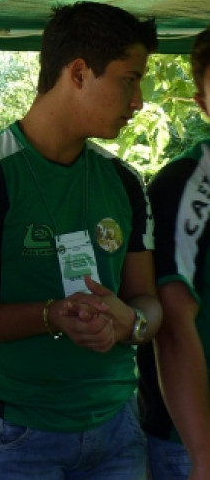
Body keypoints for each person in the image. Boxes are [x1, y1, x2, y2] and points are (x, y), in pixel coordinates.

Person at [0, 1, 163, 479]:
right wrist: (50, 314)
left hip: (117, 428)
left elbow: (148, 303)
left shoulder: (123, 181)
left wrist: (132, 322)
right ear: (78, 73)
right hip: (13, 436)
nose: (138, 101)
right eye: (129, 80)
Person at [137, 25, 210, 480]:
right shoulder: (182, 186)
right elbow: (173, 325)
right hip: (189, 439)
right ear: (203, 103)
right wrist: (203, 454)